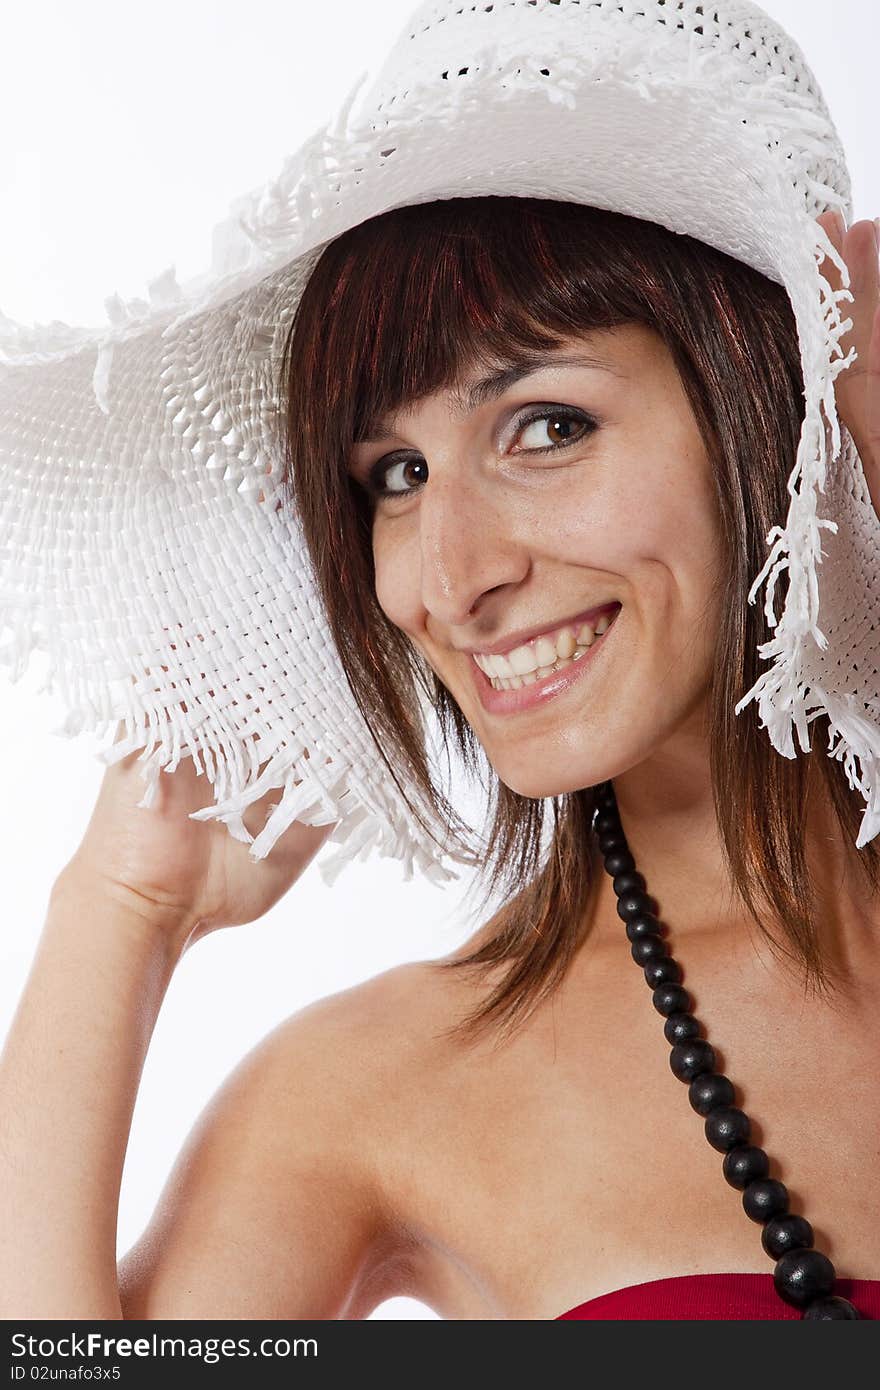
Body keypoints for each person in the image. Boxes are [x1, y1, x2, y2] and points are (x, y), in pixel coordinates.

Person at [0, 2, 878, 1322]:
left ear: (775, 404)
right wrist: (122, 906)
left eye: (545, 425)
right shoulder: (385, 1087)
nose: (449, 576)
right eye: (394, 474)